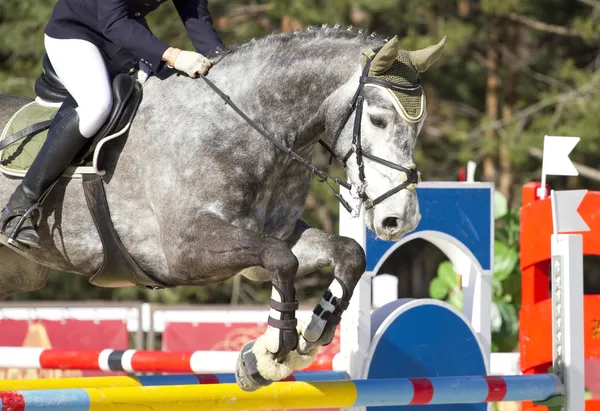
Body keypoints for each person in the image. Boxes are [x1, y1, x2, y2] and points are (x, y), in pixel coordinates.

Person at [0, 0, 225, 248]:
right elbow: (114, 21)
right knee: (97, 107)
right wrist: (173, 55)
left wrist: (223, 65)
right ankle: (18, 207)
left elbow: (195, 12)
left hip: (123, 38)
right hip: (75, 33)